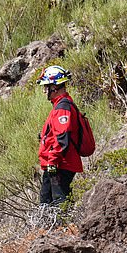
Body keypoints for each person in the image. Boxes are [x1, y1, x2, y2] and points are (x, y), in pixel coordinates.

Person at [37, 65, 83, 205]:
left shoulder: (62, 107)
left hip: (60, 164)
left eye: (47, 87)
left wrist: (52, 162)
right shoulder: (60, 106)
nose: (45, 91)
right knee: (47, 201)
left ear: (54, 87)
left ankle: (65, 227)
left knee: (59, 202)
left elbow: (62, 138)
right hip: (57, 163)